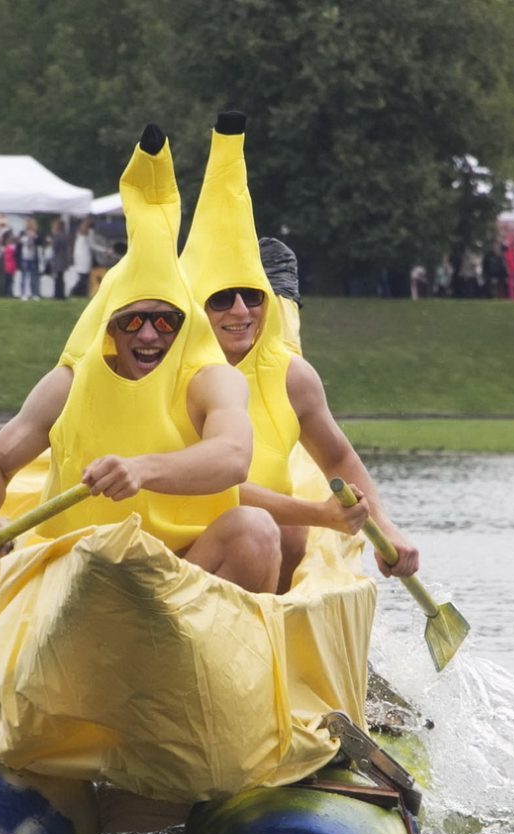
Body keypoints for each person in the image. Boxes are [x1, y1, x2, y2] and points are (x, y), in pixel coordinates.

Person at [0, 123, 278, 594]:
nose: (149, 334)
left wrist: (141, 470)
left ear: (185, 324)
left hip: (184, 574)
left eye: (166, 321)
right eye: (132, 321)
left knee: (257, 529)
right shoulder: (68, 384)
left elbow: (233, 458)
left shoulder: (212, 380)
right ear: (109, 326)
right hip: (77, 571)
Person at [173, 112, 420, 590]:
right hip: (179, 549)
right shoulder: (169, 369)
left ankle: (270, 627)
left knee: (281, 531)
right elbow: (212, 482)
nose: (241, 311)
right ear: (198, 305)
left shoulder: (292, 376)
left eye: (254, 297)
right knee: (261, 526)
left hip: (263, 546)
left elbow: (340, 459)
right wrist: (317, 512)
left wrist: (384, 529)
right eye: (223, 299)